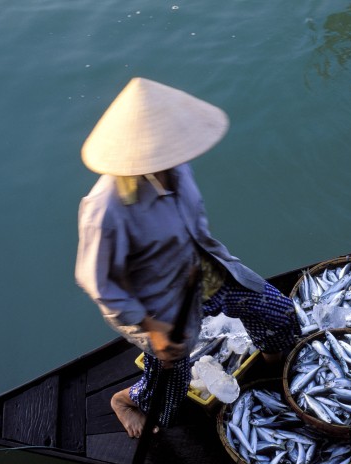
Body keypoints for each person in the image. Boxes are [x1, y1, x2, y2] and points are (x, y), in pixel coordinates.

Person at [75, 77, 301, 438]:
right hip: (161, 307)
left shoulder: (176, 168)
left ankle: (274, 374)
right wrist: (154, 329)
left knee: (279, 315)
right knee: (170, 387)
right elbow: (99, 284)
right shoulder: (105, 209)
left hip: (207, 272)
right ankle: (126, 401)